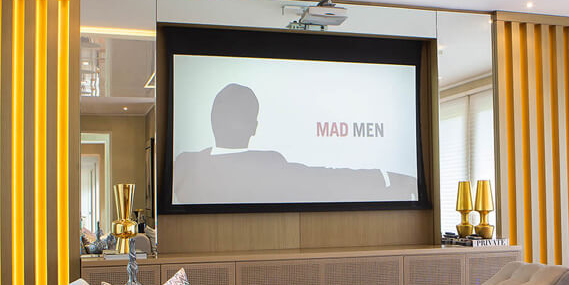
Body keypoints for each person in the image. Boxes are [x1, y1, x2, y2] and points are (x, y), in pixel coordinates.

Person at [173, 83, 417, 204]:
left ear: (212, 119)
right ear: (254, 127)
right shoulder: (269, 164)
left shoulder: (185, 164)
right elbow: (326, 179)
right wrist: (387, 180)